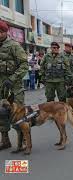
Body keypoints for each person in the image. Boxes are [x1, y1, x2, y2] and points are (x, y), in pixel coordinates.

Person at [0, 20, 28, 150]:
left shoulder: (14, 46)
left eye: (1, 32)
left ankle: (21, 141)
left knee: (18, 115)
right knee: (1, 114)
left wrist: (12, 78)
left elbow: (24, 65)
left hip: (14, 87)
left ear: (6, 32)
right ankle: (5, 140)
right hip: (1, 87)